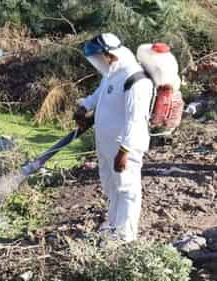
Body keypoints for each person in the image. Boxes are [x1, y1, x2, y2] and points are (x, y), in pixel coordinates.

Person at [74, 33, 153, 242]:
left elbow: (135, 120)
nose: (97, 64)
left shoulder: (136, 79)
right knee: (111, 186)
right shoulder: (112, 72)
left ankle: (125, 235)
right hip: (106, 144)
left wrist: (124, 151)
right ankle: (113, 226)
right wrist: (84, 107)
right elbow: (100, 94)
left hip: (123, 146)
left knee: (127, 188)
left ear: (109, 55)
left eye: (99, 59)